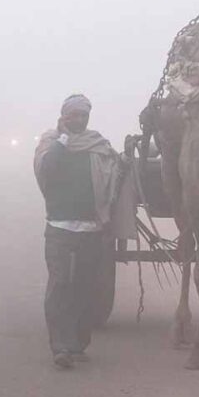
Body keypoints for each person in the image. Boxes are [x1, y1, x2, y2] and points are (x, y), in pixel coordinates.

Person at [33, 94, 121, 369]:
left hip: (91, 228)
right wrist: (63, 138)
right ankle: (59, 346)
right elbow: (47, 169)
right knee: (60, 284)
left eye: (84, 115)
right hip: (59, 227)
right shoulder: (51, 144)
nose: (80, 120)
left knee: (85, 287)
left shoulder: (98, 146)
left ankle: (78, 344)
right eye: (74, 115)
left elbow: (113, 176)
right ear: (64, 116)